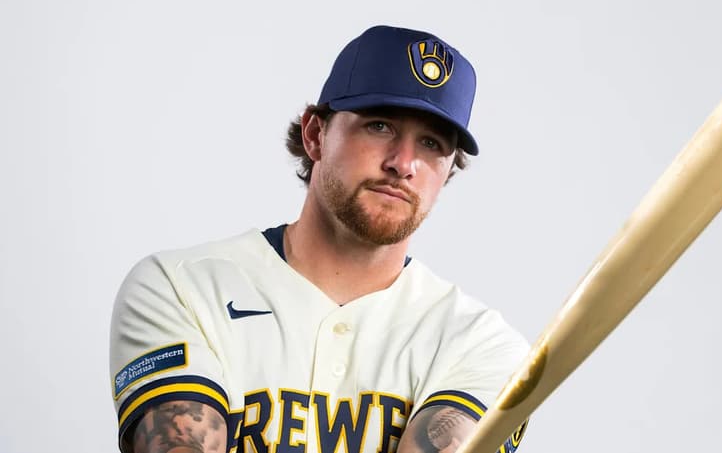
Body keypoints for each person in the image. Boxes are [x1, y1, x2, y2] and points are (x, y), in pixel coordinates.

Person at [109, 25, 529, 453]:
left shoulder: (483, 344)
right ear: (315, 134)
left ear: (448, 172)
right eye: (380, 126)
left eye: (431, 143)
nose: (403, 164)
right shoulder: (181, 288)